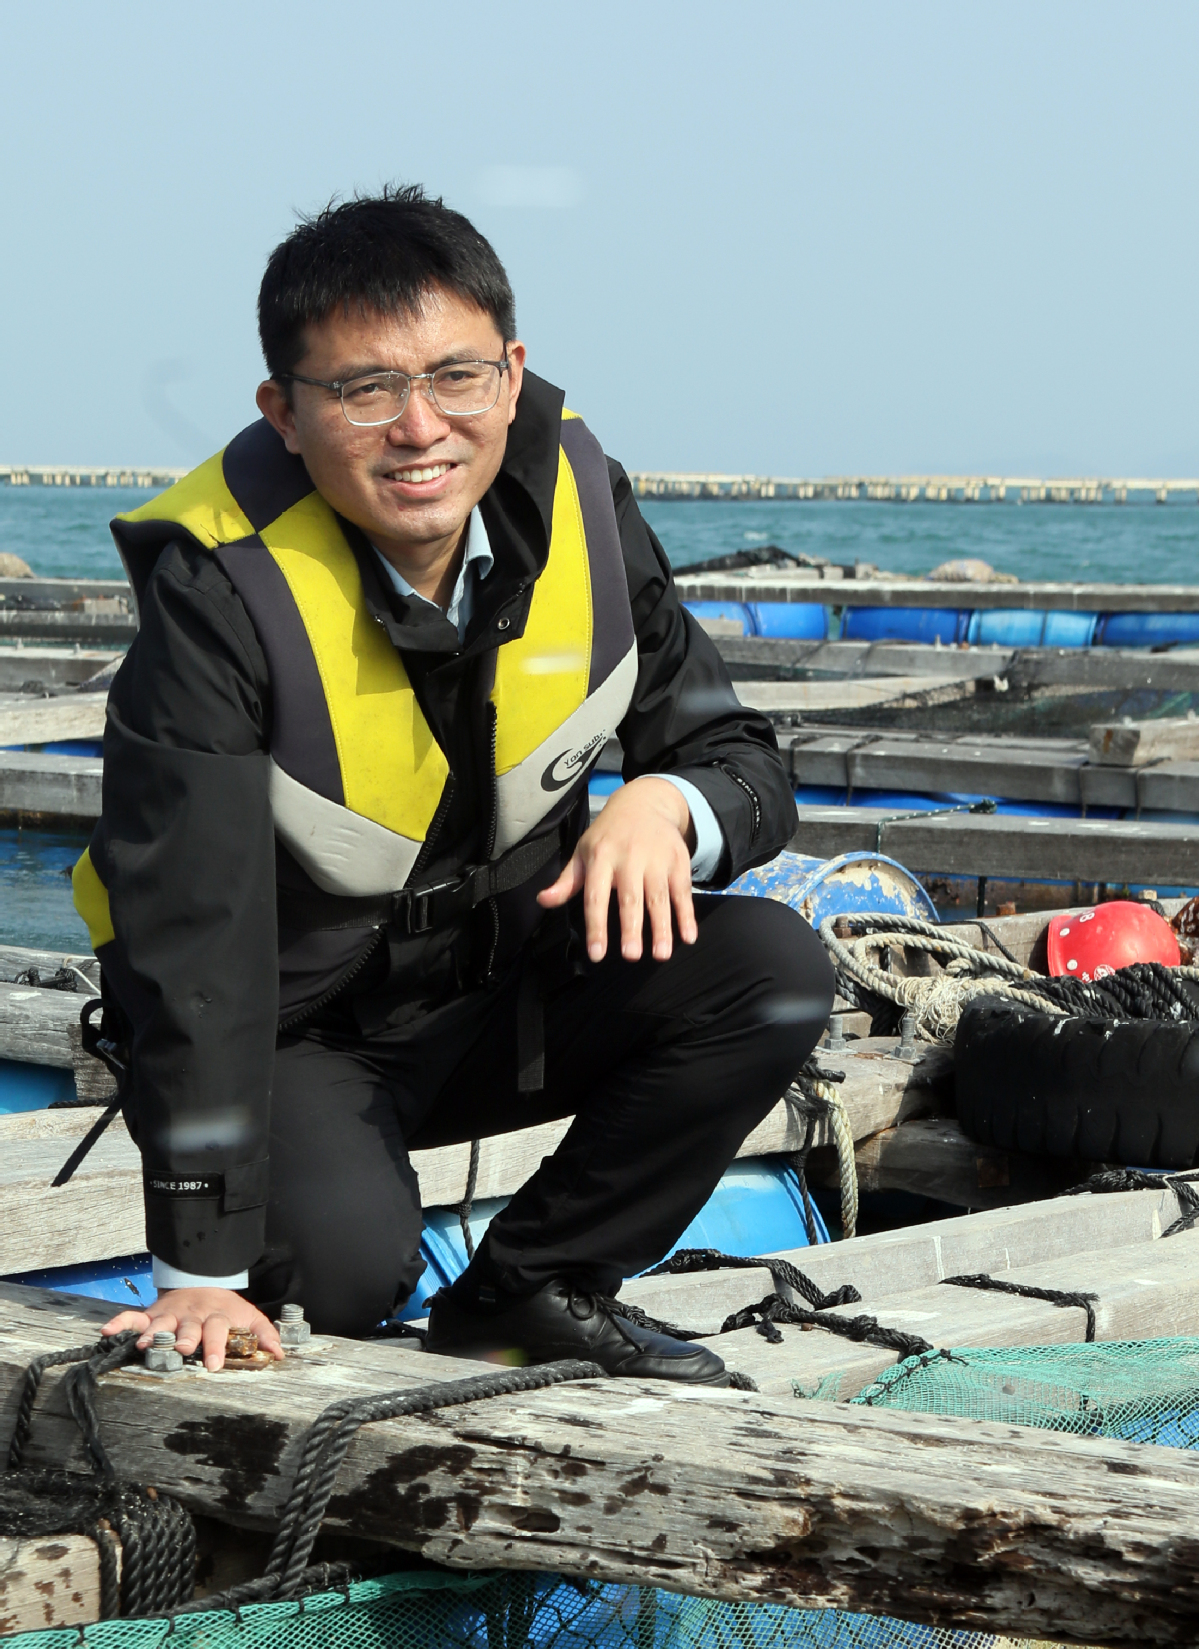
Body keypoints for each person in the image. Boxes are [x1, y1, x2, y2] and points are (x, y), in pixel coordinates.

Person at [88, 186, 833, 1385]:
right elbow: (192, 943)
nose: (418, 426)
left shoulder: (581, 501)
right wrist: (199, 1272)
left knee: (773, 967)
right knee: (340, 1274)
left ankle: (530, 1286)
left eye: (455, 376)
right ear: (282, 410)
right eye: (363, 388)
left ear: (512, 368)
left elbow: (738, 752)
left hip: (510, 996)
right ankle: (305, 1247)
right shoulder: (217, 593)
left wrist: (670, 804)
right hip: (294, 1034)